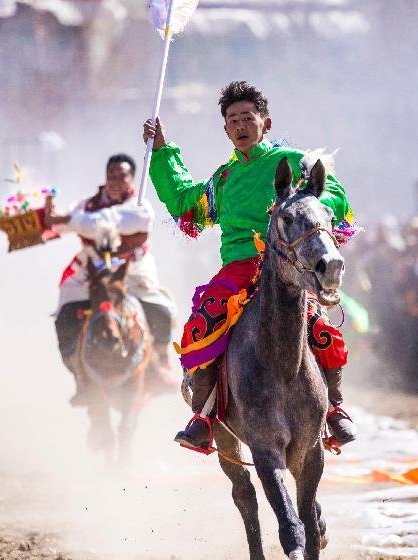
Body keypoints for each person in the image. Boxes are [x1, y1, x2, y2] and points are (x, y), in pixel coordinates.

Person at [142, 81, 357, 451]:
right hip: (237, 270)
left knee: (320, 327)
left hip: (286, 265)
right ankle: (203, 417)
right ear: (226, 129)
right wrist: (161, 151)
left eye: (247, 118)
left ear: (265, 123)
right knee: (203, 324)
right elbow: (183, 203)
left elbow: (333, 195)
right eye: (233, 120)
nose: (240, 126)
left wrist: (305, 210)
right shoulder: (224, 179)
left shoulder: (293, 162)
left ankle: (334, 409)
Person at [46, 154, 177, 404]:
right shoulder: (88, 204)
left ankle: (159, 367)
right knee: (65, 315)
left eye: (122, 176)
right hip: (93, 271)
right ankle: (80, 378)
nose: (116, 181)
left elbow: (105, 222)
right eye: (111, 176)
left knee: (161, 310)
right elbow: (63, 222)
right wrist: (50, 218)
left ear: (132, 179)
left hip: (132, 270)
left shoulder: (140, 207)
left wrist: (68, 220)